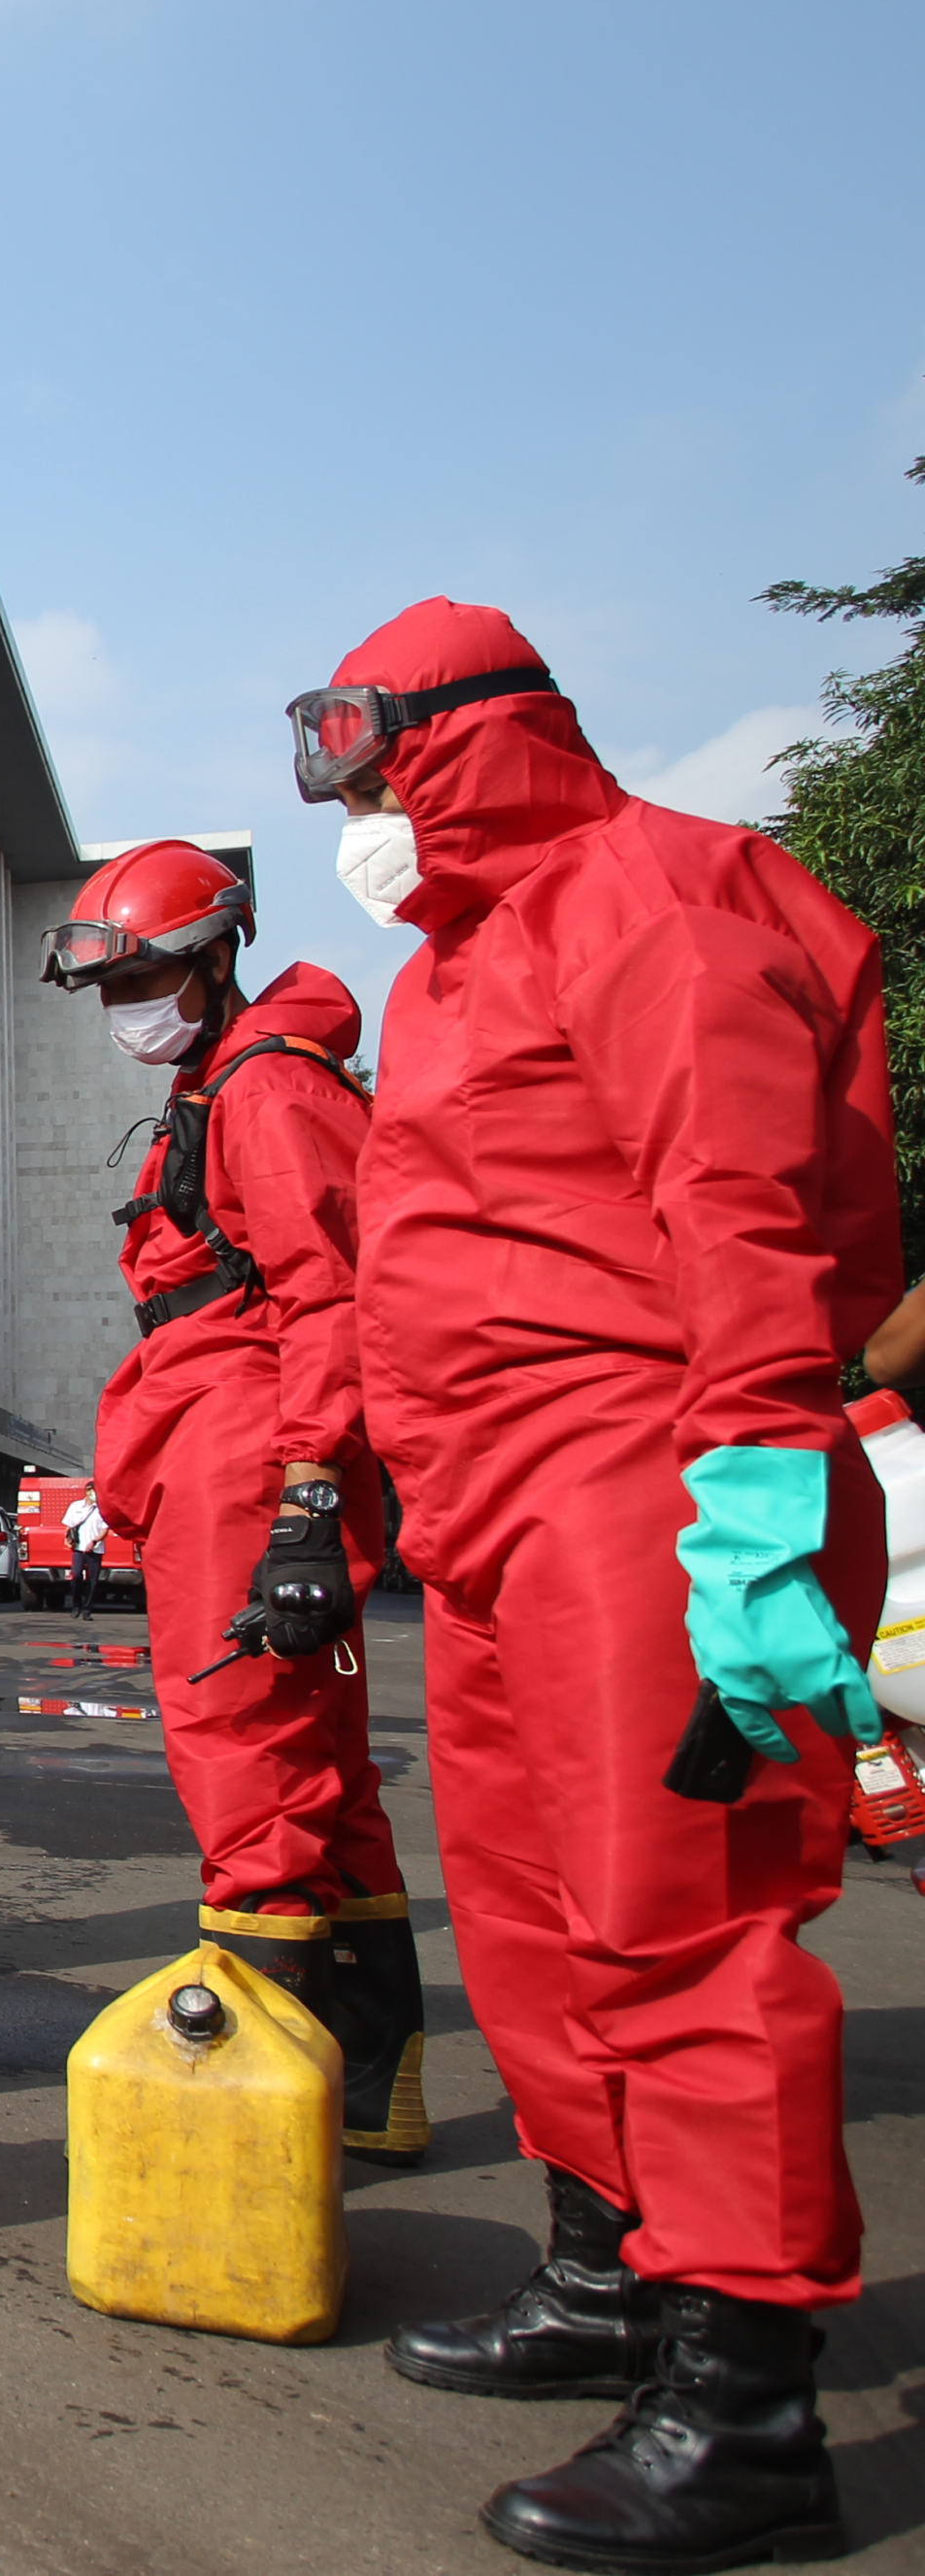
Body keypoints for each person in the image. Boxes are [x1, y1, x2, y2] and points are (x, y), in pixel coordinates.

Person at [305, 598, 891, 2568]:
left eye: (366, 756)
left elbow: (737, 1199)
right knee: (542, 1922)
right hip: (494, 1512)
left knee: (679, 1927)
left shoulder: (646, 892)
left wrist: (745, 1491)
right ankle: (609, 2277)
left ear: (459, 738)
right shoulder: (459, 964)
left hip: (644, 1475)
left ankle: (743, 2412)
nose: (355, 806)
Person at [41, 838, 420, 2161]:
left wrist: (311, 1491)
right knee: (322, 1771)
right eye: (107, 984)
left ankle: (257, 2113)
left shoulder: (264, 1089)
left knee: (248, 1760)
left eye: (139, 974)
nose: (122, 1005)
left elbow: (331, 1290)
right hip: (232, 1430)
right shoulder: (230, 1082)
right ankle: (369, 2085)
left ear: (214, 955)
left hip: (253, 1443)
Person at [63, 1488, 108, 1619]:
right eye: (92, 1491)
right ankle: (76, 1605)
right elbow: (69, 1526)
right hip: (78, 1548)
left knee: (92, 1580)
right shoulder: (75, 1506)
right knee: (76, 1575)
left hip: (95, 1549)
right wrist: (67, 1538)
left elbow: (105, 1530)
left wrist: (94, 1542)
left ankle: (87, 1610)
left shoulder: (102, 1509)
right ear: (87, 1492)